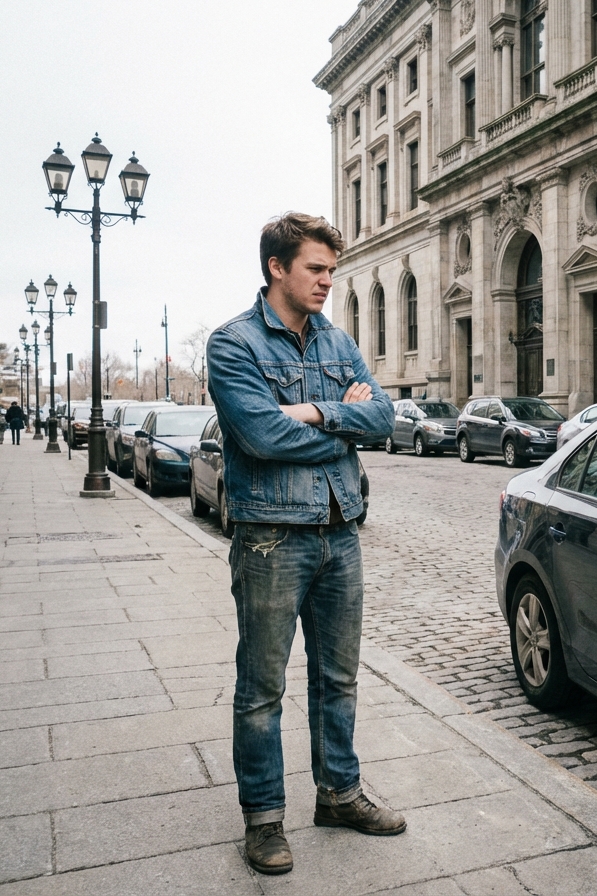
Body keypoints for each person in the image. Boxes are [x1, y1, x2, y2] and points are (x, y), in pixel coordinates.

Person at [207, 213, 402, 876]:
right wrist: (345, 426)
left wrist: (319, 412)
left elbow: (383, 416)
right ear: (277, 268)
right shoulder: (233, 345)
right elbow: (262, 437)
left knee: (339, 679)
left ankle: (339, 795)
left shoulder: (337, 340)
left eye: (330, 269)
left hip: (340, 533)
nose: (327, 280)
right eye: (315, 269)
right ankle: (263, 820)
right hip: (271, 539)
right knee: (262, 688)